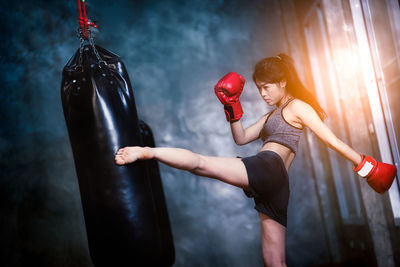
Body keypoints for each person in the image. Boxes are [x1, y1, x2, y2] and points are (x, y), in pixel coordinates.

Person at [114, 53, 396, 267]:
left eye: (267, 87)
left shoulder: (298, 106)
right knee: (275, 263)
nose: (262, 93)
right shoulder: (271, 114)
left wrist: (366, 165)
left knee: (200, 163)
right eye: (259, 88)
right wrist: (231, 107)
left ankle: (145, 152)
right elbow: (241, 137)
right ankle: (147, 152)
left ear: (283, 83)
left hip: (268, 168)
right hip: (276, 185)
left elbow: (330, 139)